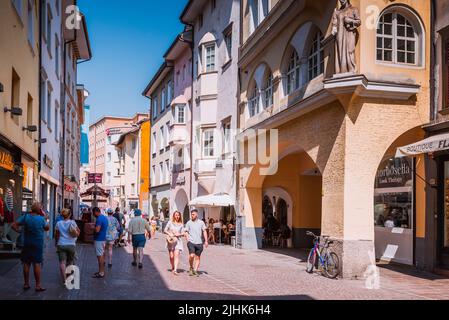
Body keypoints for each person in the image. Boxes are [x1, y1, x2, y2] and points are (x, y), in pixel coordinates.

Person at [11, 202, 50, 292]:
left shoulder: (26, 217)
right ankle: (38, 285)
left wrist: (20, 231)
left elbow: (13, 225)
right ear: (39, 210)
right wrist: (45, 218)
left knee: (26, 263)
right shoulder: (41, 219)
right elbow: (47, 228)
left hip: (27, 243)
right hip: (38, 244)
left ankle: (26, 284)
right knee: (37, 264)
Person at [55, 208, 80, 285]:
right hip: (71, 244)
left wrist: (56, 243)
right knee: (70, 261)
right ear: (69, 215)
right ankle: (69, 277)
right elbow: (78, 232)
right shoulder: (72, 222)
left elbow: (57, 235)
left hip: (61, 244)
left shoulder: (58, 223)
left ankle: (64, 280)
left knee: (62, 263)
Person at [184, 209, 208, 277]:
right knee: (191, 255)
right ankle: (191, 267)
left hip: (199, 243)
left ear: (197, 215)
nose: (192, 216)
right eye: (191, 214)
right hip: (191, 242)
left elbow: (204, 231)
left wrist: (206, 241)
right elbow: (186, 231)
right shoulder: (189, 223)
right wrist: (187, 239)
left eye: (193, 214)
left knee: (197, 257)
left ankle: (195, 270)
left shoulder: (201, 222)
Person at [164, 211, 185, 275]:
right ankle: (173, 266)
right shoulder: (170, 222)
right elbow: (165, 230)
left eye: (178, 215)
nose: (177, 216)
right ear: (174, 216)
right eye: (176, 215)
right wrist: (169, 233)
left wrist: (179, 234)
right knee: (171, 256)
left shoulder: (181, 224)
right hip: (170, 241)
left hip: (178, 241)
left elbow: (183, 233)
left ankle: (175, 269)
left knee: (176, 255)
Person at [92, 207, 108, 278]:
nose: (93, 215)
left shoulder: (99, 219)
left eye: (93, 213)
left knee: (100, 256)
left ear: (96, 212)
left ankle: (101, 272)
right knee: (101, 255)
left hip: (99, 239)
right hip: (103, 238)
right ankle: (101, 271)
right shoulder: (104, 217)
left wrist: (93, 228)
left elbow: (97, 230)